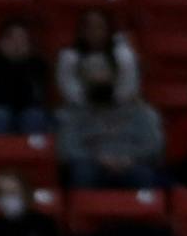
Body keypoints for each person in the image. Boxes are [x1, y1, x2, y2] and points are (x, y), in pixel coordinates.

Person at [56, 50, 165, 187]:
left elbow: (153, 145)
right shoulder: (71, 114)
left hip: (132, 164)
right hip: (92, 165)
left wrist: (129, 159)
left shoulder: (139, 110)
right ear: (83, 80)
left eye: (102, 70)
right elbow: (68, 148)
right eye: (91, 73)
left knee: (144, 174)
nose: (98, 77)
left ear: (114, 75)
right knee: (82, 172)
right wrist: (98, 159)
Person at [0, 18, 51, 134]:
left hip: (24, 114)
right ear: (1, 41)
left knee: (34, 115)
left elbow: (35, 99)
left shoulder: (37, 63)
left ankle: (31, 151)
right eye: (12, 38)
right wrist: (8, 63)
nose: (17, 43)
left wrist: (21, 64)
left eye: (22, 39)